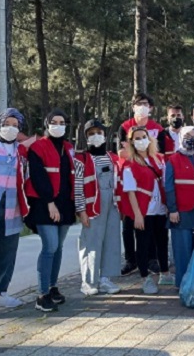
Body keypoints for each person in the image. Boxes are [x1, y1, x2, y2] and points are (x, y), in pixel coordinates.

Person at [25, 109, 77, 312]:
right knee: (50, 247)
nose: (58, 125)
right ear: (46, 124)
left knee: (59, 248)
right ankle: (42, 294)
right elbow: (38, 177)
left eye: (62, 122)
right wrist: (49, 202)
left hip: (65, 204)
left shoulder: (68, 147)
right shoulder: (38, 147)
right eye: (53, 121)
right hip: (45, 204)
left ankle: (53, 286)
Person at [0, 109, 29, 321]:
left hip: (12, 209)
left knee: (8, 253)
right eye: (7, 123)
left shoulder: (22, 151)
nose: (11, 128)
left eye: (15, 125)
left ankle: (0, 293)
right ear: (0, 123)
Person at [118, 127, 173, 294]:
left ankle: (165, 273)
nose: (141, 140)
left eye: (144, 137)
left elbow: (164, 182)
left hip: (160, 209)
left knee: (162, 242)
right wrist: (137, 215)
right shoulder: (130, 164)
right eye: (137, 138)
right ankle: (145, 278)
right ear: (132, 142)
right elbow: (130, 192)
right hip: (144, 210)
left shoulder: (158, 159)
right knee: (142, 244)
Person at [117, 93, 165, 276]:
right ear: (133, 106)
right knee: (129, 223)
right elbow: (121, 152)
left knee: (150, 223)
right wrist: (134, 156)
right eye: (138, 103)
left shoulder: (157, 129)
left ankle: (151, 259)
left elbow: (159, 151)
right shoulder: (124, 126)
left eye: (145, 103)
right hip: (128, 176)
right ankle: (131, 259)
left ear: (151, 108)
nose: (142, 106)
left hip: (149, 176)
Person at [74, 119, 122, 296]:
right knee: (91, 242)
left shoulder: (112, 157)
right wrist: (81, 210)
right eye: (91, 133)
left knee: (111, 240)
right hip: (92, 206)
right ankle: (88, 281)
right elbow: (78, 186)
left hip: (112, 205)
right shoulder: (81, 159)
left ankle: (105, 279)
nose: (96, 136)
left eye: (99, 133)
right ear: (86, 137)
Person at [165, 126, 194, 288]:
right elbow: (168, 187)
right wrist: (172, 209)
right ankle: (182, 284)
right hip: (181, 212)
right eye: (187, 135)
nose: (192, 138)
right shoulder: (173, 160)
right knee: (182, 250)